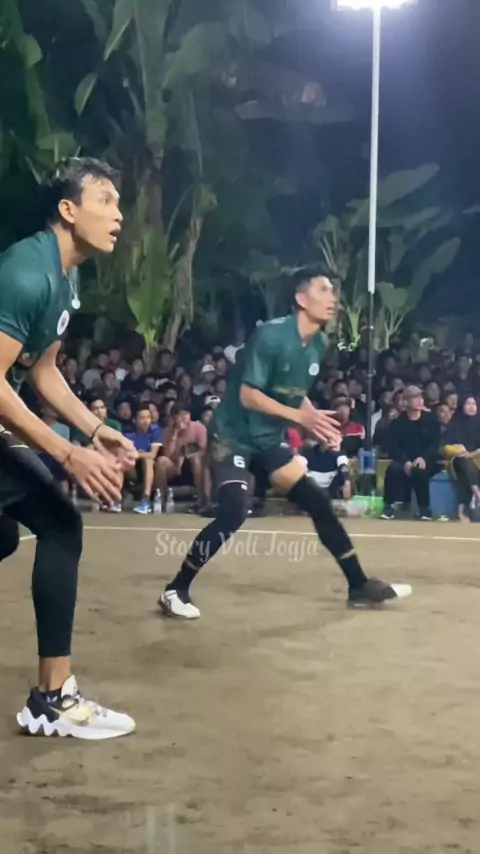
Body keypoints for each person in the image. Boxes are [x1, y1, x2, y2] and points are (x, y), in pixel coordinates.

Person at [158, 271, 411, 619]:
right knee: (234, 511)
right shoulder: (271, 335)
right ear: (301, 299)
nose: (333, 297)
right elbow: (248, 395)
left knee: (317, 502)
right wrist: (300, 418)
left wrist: (313, 419)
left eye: (333, 291)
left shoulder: (318, 344)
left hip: (266, 440)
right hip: (231, 436)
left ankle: (358, 585)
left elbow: (292, 393)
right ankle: (176, 589)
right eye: (324, 290)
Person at [0, 156, 137, 738]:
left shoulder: (66, 276)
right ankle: (53, 699)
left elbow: (44, 371)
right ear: (67, 210)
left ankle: (50, 699)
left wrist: (92, 429)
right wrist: (65, 452)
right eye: (104, 200)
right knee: (60, 523)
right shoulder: (26, 272)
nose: (118, 214)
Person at [381, 385, 440, 521]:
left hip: (426, 461)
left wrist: (423, 458)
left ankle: (424, 509)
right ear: (406, 402)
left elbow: (435, 444)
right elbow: (394, 448)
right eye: (414, 398)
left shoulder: (431, 420)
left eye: (420, 397)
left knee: (419, 470)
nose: (419, 400)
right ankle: (388, 506)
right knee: (392, 469)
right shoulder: (398, 423)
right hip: (404, 460)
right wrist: (405, 461)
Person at [155, 405, 207, 510]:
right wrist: (175, 434)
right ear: (174, 417)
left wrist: (188, 456)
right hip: (174, 465)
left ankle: (201, 499)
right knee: (161, 461)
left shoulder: (199, 427)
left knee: (197, 461)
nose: (183, 418)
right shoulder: (167, 431)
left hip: (192, 464)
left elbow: (204, 450)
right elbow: (167, 454)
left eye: (185, 415)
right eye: (179, 416)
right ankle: (161, 498)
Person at [443, 396, 480, 522]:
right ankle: (477, 494)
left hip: (476, 459)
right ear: (462, 407)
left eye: (474, 404)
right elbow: (445, 446)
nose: (471, 407)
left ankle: (462, 511)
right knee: (464, 462)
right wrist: (457, 450)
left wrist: (474, 453)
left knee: (465, 474)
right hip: (456, 460)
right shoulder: (455, 423)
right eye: (468, 404)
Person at [125, 406, 163, 514]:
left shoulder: (155, 431)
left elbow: (152, 454)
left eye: (148, 417)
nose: (146, 421)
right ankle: (115, 499)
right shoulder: (128, 432)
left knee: (148, 461)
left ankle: (145, 500)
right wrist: (138, 454)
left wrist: (138, 454)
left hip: (149, 468)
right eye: (142, 418)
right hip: (132, 467)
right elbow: (126, 453)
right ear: (134, 420)